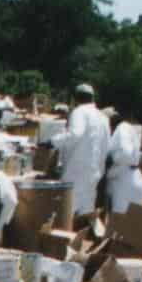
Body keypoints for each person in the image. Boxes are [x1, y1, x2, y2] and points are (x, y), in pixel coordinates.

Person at [55, 83, 111, 216]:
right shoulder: (103, 117)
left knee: (67, 211)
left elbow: (75, 134)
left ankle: (67, 236)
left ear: (75, 98)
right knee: (86, 213)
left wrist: (53, 142)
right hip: (94, 172)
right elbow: (106, 146)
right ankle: (83, 236)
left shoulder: (79, 112)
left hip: (77, 171)